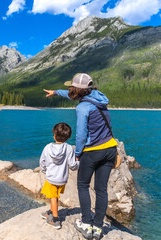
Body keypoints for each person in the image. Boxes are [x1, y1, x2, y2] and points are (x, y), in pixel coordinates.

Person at [44, 73, 117, 240]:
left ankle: (86, 223)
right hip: (110, 149)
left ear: (77, 90)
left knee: (83, 185)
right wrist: (55, 92)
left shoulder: (82, 108)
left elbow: (81, 135)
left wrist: (77, 154)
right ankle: (98, 228)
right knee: (101, 189)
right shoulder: (98, 98)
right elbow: (71, 94)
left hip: (93, 152)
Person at [39, 122, 79, 229]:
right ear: (68, 136)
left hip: (51, 178)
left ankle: (55, 220)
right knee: (55, 195)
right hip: (62, 179)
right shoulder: (69, 148)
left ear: (54, 135)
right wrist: (79, 163)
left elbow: (42, 161)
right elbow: (72, 165)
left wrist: (44, 170)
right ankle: (52, 211)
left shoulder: (47, 147)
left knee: (53, 196)